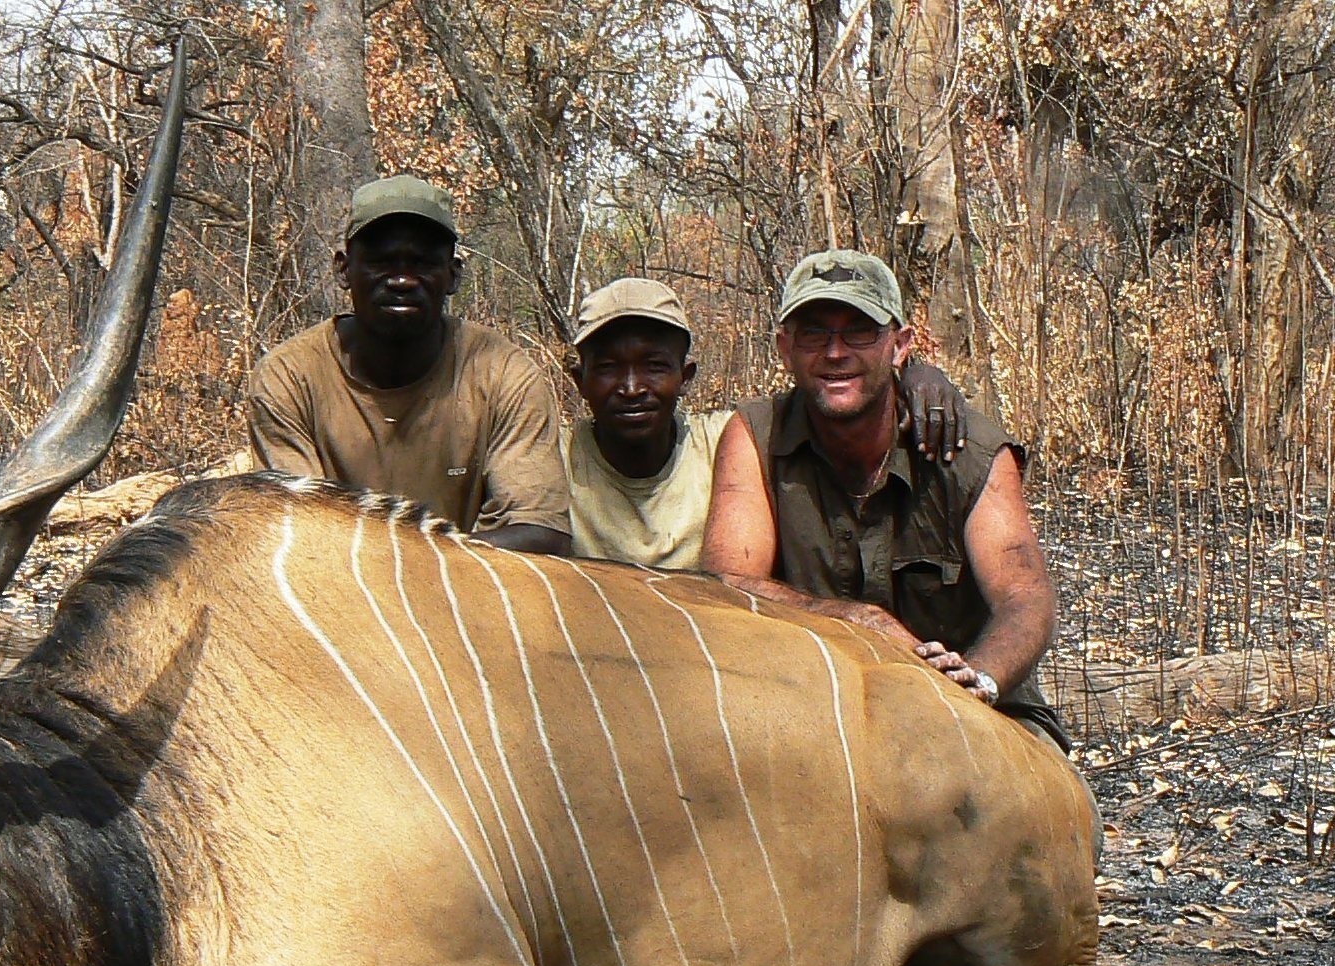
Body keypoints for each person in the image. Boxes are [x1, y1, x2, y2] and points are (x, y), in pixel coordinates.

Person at [700, 249, 1069, 751]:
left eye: (859, 331)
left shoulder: (975, 449)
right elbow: (727, 583)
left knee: (1046, 800)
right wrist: (860, 621)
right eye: (814, 333)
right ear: (785, 348)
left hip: (976, 707)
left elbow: (1025, 594)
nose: (835, 352)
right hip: (815, 704)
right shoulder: (754, 435)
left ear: (899, 346)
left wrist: (978, 678)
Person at [245, 175, 570, 554]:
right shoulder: (289, 377)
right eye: (381, 262)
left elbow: (541, 531)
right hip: (340, 594)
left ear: (453, 275)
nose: (401, 280)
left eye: (422, 263)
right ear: (343, 270)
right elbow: (300, 534)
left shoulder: (503, 372)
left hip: (466, 597)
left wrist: (416, 573)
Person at [566, 276, 972, 571]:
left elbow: (833, 405)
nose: (632, 388)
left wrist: (917, 377)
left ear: (686, 376)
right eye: (607, 368)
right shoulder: (551, 459)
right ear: (578, 379)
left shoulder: (729, 440)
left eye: (655, 367)